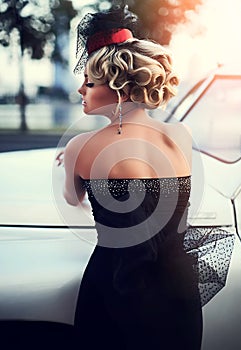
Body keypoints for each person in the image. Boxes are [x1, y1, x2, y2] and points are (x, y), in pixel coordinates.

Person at [62, 6, 202, 350]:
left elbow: (71, 199)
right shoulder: (180, 135)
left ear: (120, 91)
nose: (81, 90)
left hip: (114, 289)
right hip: (179, 292)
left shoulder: (81, 146)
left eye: (90, 82)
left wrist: (69, 159)